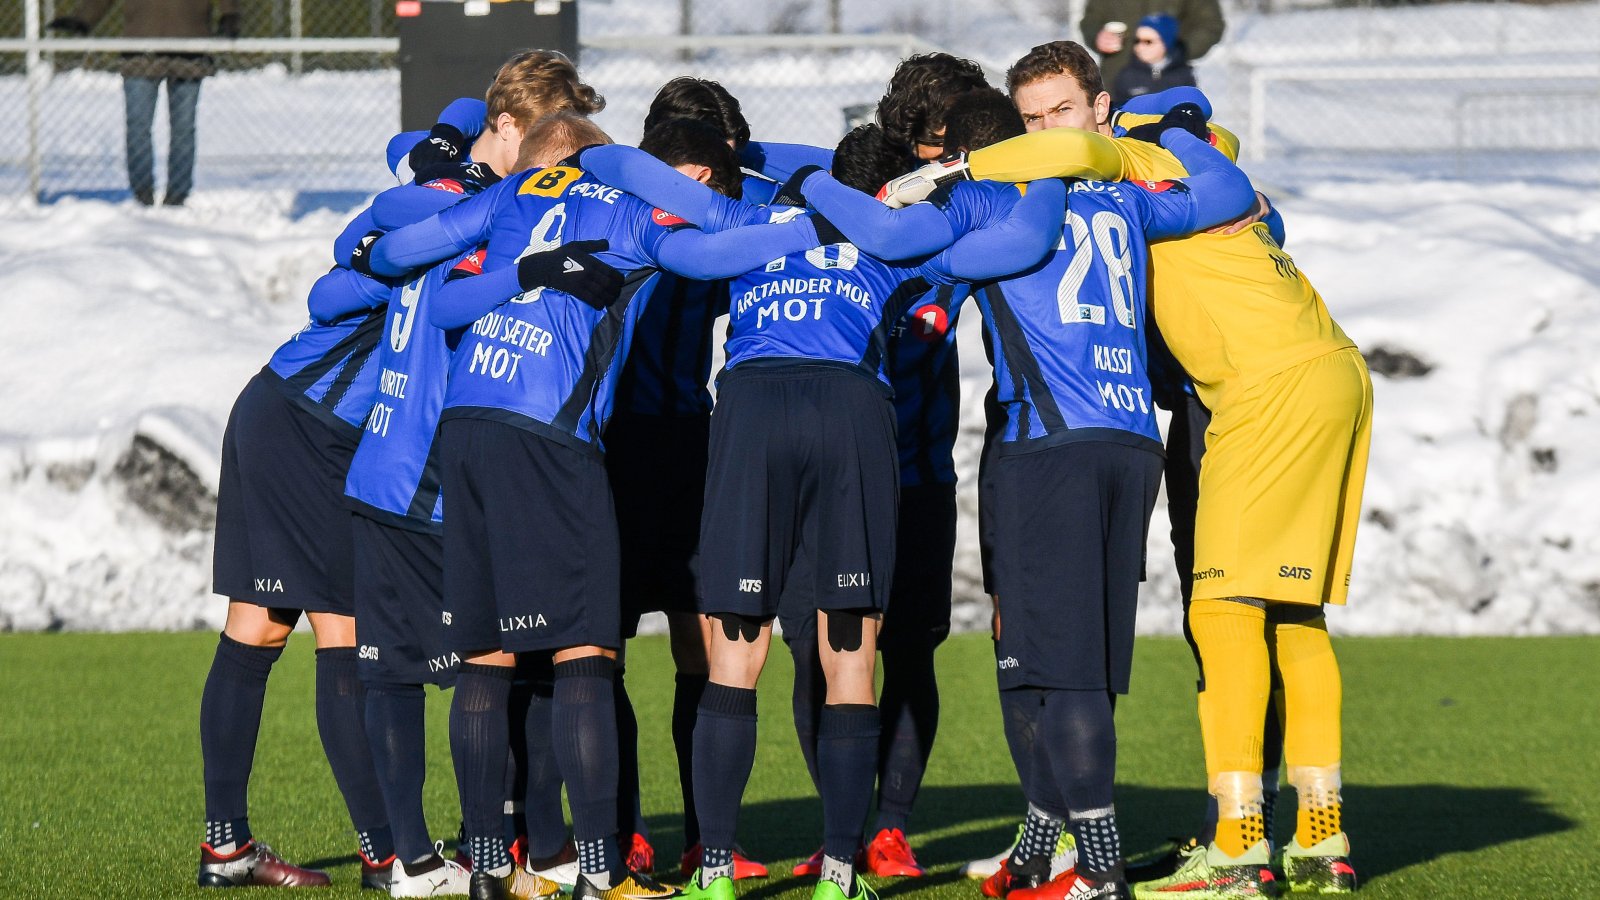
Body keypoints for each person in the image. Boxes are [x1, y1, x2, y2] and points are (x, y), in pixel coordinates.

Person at [882, 51, 1368, 897]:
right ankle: (1316, 835)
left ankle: (1234, 845)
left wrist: (948, 178)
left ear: (1101, 108)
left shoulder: (1110, 158)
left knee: (1220, 613)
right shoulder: (1132, 166)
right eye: (1030, 118)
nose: (1046, 131)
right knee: (1286, 614)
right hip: (1250, 388)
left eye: (1061, 111)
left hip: (1230, 400)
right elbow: (1225, 163)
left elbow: (1161, 141)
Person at [580, 120, 1065, 900]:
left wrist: (774, 168)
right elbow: (1021, 245)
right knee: (851, 653)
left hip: (752, 404)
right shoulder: (903, 240)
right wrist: (1050, 168)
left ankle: (715, 872)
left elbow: (624, 165)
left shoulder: (752, 217)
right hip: (850, 409)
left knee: (734, 652)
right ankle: (840, 873)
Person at [364, 112, 830, 900]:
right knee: (585, 654)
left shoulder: (510, 196)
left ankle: (490, 869)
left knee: (486, 658)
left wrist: (524, 270)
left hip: (467, 429)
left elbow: (422, 282)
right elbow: (707, 252)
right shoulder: (624, 206)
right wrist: (816, 226)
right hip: (549, 437)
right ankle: (600, 873)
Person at [607, 77, 770, 884]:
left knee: (698, 641)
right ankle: (622, 829)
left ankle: (708, 834)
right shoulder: (611, 206)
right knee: (598, 645)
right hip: (609, 445)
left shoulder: (727, 217)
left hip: (690, 442)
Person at [47, 0, 240, 206]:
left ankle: (178, 195)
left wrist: (230, 15)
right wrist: (82, 19)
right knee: (138, 125)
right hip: (139, 49)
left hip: (189, 47)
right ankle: (142, 194)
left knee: (183, 128)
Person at [1079, 0, 1223, 89]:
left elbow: (1210, 24)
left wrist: (1177, 51)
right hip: (1116, 79)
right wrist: (1098, 36)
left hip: (1170, 80)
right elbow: (1091, 21)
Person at [1111, 15, 1196, 106]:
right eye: (1137, 41)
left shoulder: (1183, 75)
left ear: (1166, 43)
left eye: (1148, 42)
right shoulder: (1127, 76)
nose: (1139, 47)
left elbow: (1193, 108)